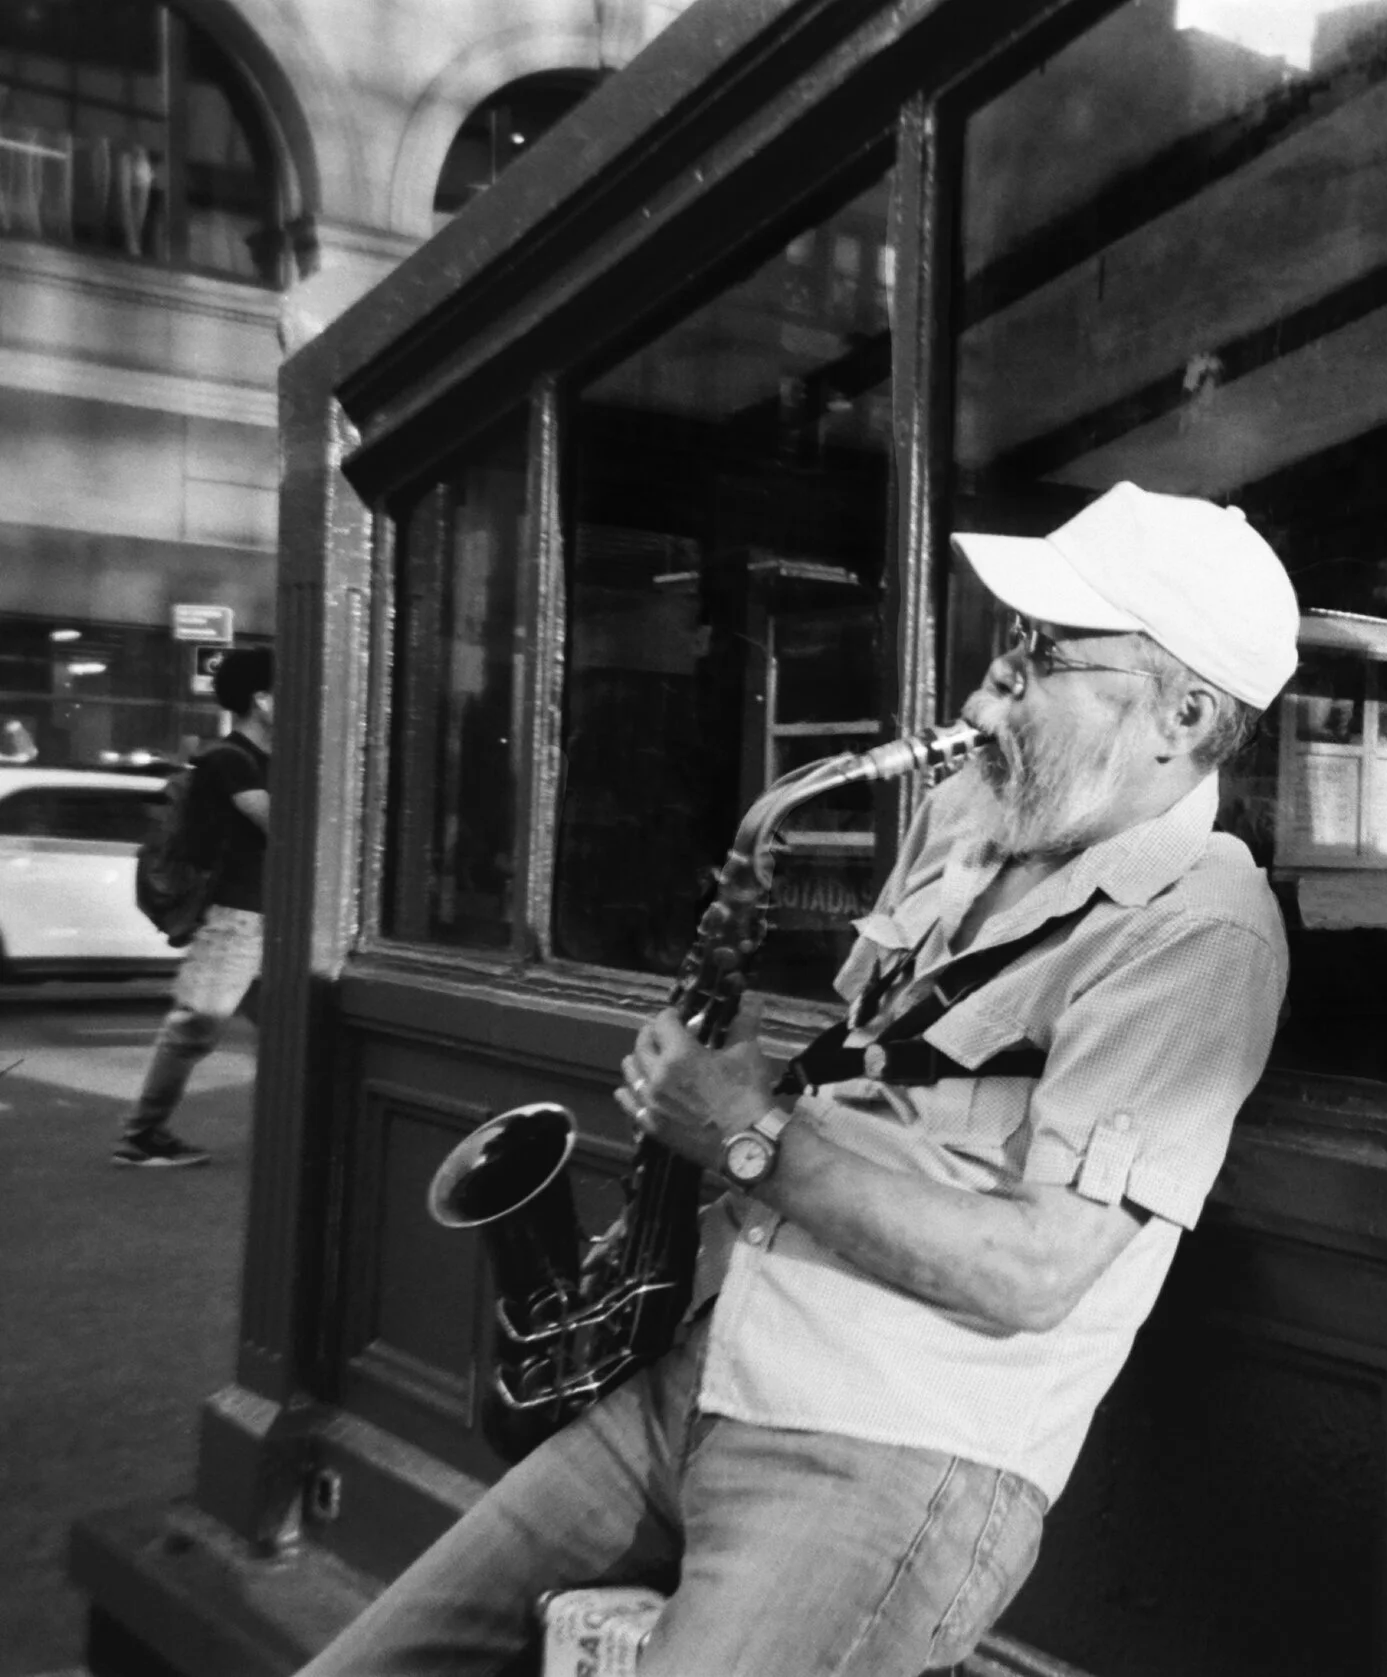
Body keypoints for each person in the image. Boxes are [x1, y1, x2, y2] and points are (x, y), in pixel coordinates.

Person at [301, 482, 1299, 1676]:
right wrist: (740, 1092)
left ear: (1181, 715)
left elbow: (1034, 1272)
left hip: (884, 1454)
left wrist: (744, 1131)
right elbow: (880, 1073)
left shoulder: (1200, 932)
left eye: (1037, 660)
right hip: (704, 1370)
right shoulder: (967, 814)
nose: (986, 696)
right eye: (1004, 653)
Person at [115, 645, 273, 1168]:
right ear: (263, 701)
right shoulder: (231, 760)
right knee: (194, 1026)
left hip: (270, 920)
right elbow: (281, 824)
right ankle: (141, 1136)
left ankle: (296, 1135)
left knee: (292, 1033)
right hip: (235, 920)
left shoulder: (267, 760)